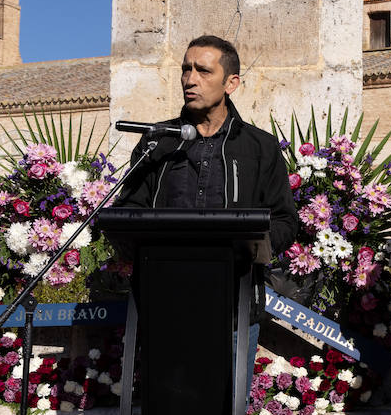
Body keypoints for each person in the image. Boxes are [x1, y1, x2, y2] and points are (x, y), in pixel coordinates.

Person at [117, 35, 298, 388]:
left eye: (203, 70)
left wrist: (246, 242)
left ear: (231, 83)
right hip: (163, 307)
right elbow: (129, 209)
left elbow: (285, 220)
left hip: (232, 309)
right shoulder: (158, 141)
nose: (190, 79)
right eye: (186, 69)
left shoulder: (259, 147)